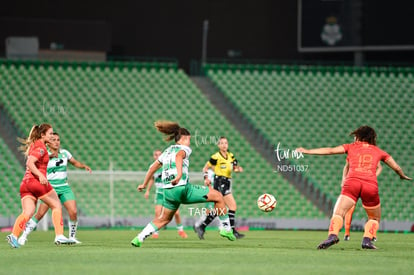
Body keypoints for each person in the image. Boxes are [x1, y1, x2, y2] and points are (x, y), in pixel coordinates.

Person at [296, 125, 411, 250]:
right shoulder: (379, 151)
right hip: (370, 185)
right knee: (374, 217)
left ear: (358, 137)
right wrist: (402, 175)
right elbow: (396, 167)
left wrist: (307, 151)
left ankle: (332, 236)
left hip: (352, 183)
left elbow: (330, 150)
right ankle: (367, 240)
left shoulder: (350, 147)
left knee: (339, 213)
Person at [131, 121, 236, 247]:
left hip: (168, 192)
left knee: (163, 219)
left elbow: (152, 168)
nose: (190, 142)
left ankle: (139, 238)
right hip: (182, 188)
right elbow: (179, 156)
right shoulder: (184, 149)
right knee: (218, 196)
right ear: (184, 138)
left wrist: (144, 184)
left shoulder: (167, 151)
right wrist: (179, 175)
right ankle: (226, 228)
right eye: (189, 139)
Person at [18, 132, 92, 245]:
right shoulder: (43, 154)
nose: (56, 142)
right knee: (40, 214)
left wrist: (84, 166)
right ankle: (23, 236)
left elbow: (74, 162)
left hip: (64, 187)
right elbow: (34, 167)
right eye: (53, 140)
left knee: (73, 212)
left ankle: (72, 237)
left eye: (58, 140)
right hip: (49, 188)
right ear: (48, 142)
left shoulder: (65, 153)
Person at [6, 124, 72, 248]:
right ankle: (59, 236)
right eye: (50, 133)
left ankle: (14, 236)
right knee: (56, 205)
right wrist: (40, 176)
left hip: (25, 184)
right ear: (42, 135)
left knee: (28, 212)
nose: (52, 136)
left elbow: (38, 159)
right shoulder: (41, 147)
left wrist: (50, 156)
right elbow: (30, 163)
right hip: (36, 182)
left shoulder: (36, 145)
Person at [194, 136, 245, 239]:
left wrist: (238, 169)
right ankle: (232, 230)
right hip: (219, 182)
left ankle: (202, 226)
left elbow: (235, 168)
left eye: (225, 143)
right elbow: (205, 168)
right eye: (221, 143)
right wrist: (206, 178)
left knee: (219, 209)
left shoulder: (231, 155)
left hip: (227, 182)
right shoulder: (215, 156)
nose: (224, 145)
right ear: (218, 145)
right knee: (232, 206)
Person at [144, 149, 188, 239]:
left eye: (159, 154)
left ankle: (180, 230)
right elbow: (152, 179)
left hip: (169, 192)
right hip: (160, 193)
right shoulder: (154, 167)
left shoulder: (168, 165)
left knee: (176, 213)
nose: (157, 156)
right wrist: (147, 190)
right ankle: (155, 232)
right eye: (156, 155)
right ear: (154, 156)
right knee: (157, 212)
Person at [343, 163, 382, 241]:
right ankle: (347, 233)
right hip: (360, 184)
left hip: (357, 184)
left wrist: (344, 179)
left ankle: (371, 234)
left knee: (370, 213)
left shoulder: (355, 153)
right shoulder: (370, 153)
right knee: (351, 210)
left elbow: (379, 167)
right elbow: (347, 166)